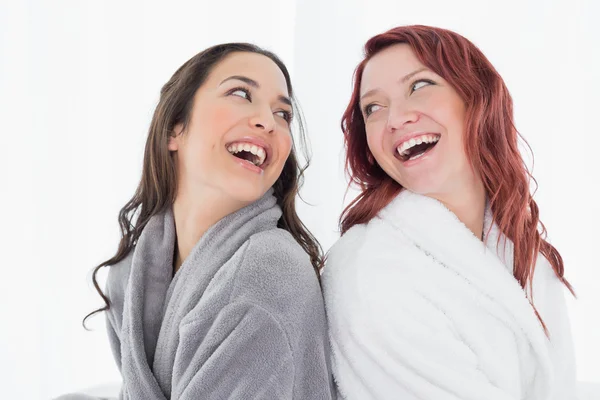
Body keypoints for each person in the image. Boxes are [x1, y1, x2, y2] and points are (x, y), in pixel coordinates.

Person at [323, 25, 576, 400]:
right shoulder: (373, 273)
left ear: (477, 96)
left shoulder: (525, 254)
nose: (395, 118)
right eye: (373, 108)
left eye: (418, 86)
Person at [80, 43, 335, 400]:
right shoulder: (129, 275)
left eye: (283, 114)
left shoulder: (266, 272)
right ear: (174, 128)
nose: (268, 121)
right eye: (241, 93)